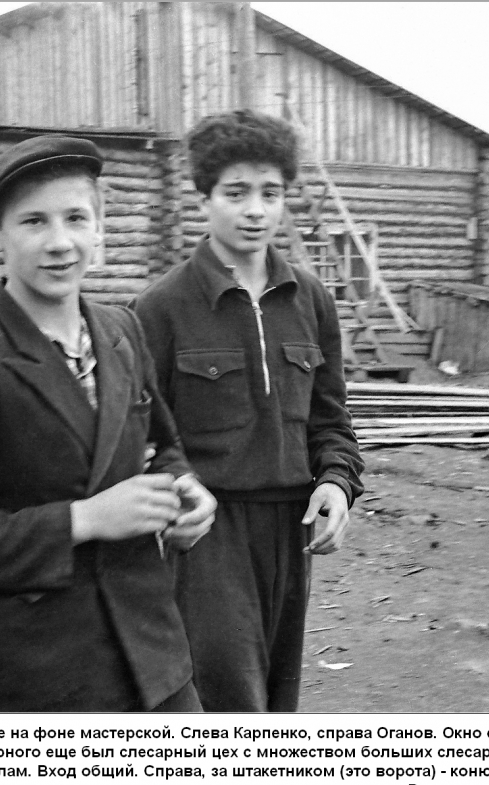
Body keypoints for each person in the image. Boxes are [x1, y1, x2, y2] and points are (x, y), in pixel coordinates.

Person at [0, 136, 216, 712]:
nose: (60, 242)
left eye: (76, 218)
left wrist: (184, 491)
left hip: (154, 658)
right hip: (37, 676)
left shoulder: (121, 330)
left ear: (99, 228)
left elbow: (161, 443)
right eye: (33, 222)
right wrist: (82, 520)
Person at [134, 110, 364, 712]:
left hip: (292, 530)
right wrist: (174, 497)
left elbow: (331, 420)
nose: (255, 210)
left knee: (277, 700)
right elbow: (142, 438)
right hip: (209, 536)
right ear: (204, 198)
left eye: (271, 193)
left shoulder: (311, 299)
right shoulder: (161, 308)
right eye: (236, 194)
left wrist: (336, 483)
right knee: (229, 702)